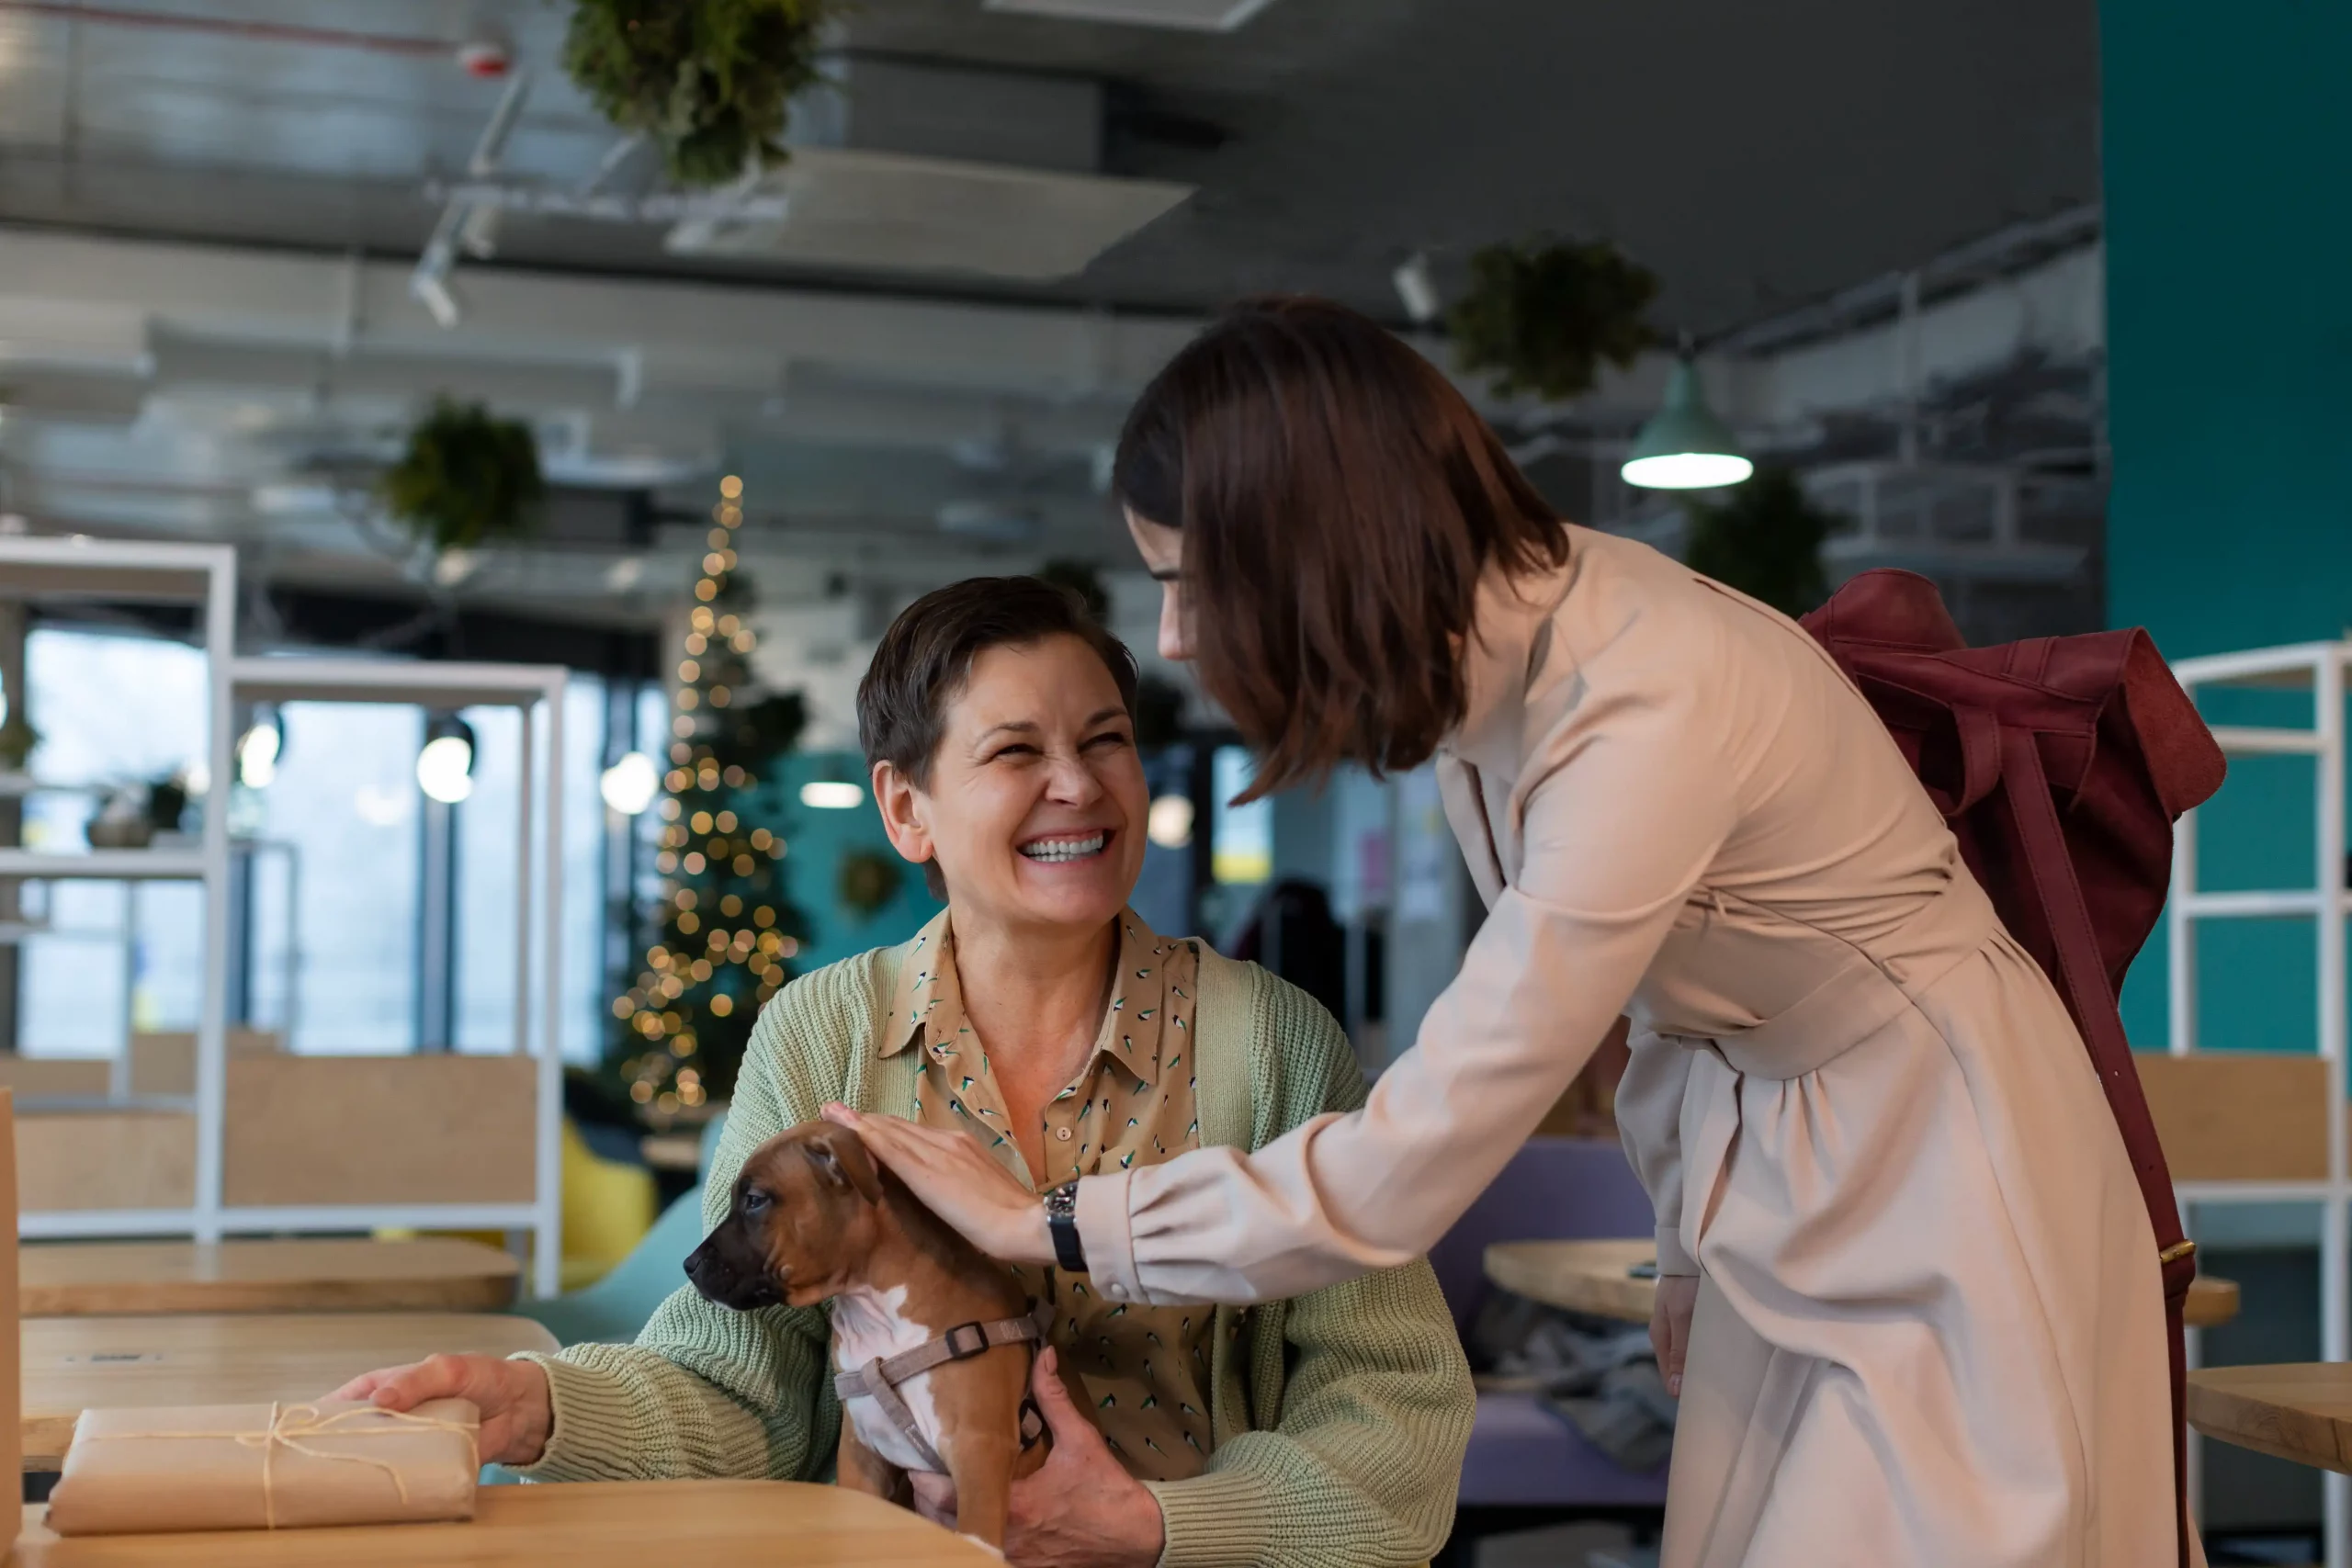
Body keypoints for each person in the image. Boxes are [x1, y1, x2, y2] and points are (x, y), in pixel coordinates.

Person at [828, 299, 2189, 1568]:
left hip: (1944, 1163)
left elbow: (1407, 1165)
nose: (1176, 635)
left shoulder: (1640, 702)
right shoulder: (1497, 674)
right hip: (1785, 1151)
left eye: (1188, 578)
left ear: (1301, 549)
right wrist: (1687, 1233)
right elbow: (1667, 1006)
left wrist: (1048, 1218)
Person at [337, 575, 1474, 1568]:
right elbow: (747, 1390)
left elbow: (1396, 1415)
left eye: (1106, 739)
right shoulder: (823, 1035)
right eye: (1016, 751)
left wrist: (1160, 1529)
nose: (1077, 784)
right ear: (905, 809)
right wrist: (539, 1406)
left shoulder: (1270, 1042)